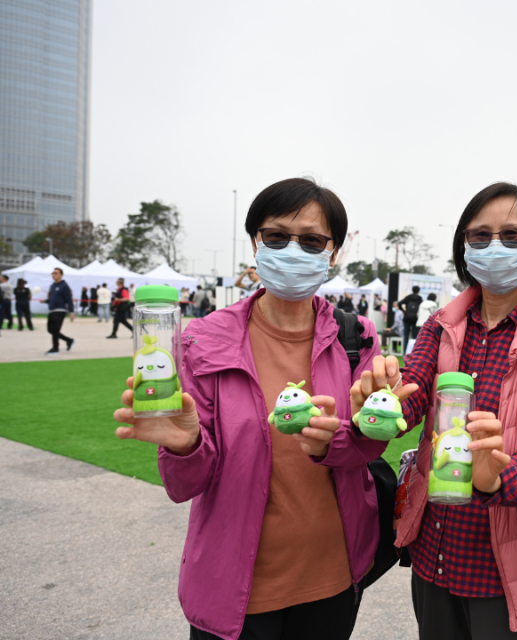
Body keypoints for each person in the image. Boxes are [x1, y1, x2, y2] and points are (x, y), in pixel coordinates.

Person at [113, 177, 402, 640]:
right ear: (255, 242)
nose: (292, 250)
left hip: (332, 574)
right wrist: (187, 444)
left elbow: (364, 453)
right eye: (276, 236)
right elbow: (183, 485)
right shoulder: (203, 341)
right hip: (235, 586)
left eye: (311, 240)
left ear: (333, 252)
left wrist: (348, 435)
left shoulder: (357, 336)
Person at [392, 182, 517, 640]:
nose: (495, 247)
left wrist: (497, 477)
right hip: (435, 555)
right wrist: (383, 399)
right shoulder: (441, 325)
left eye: (513, 236)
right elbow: (413, 391)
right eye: (480, 237)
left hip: (511, 574)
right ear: (464, 248)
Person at [46, 267, 76, 355]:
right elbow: (52, 298)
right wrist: (45, 301)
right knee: (50, 330)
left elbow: (69, 299)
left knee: (55, 329)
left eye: (56, 273)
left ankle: (55, 348)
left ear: (61, 275)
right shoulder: (52, 286)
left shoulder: (64, 286)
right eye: (53, 273)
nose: (54, 275)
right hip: (52, 310)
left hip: (60, 310)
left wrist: (71, 312)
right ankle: (69, 340)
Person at [397, 285, 423, 353]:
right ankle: (414, 350)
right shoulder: (419, 298)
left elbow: (399, 303)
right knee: (415, 336)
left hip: (407, 318)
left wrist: (404, 311)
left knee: (406, 335)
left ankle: (405, 350)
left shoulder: (408, 297)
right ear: (418, 291)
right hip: (415, 319)